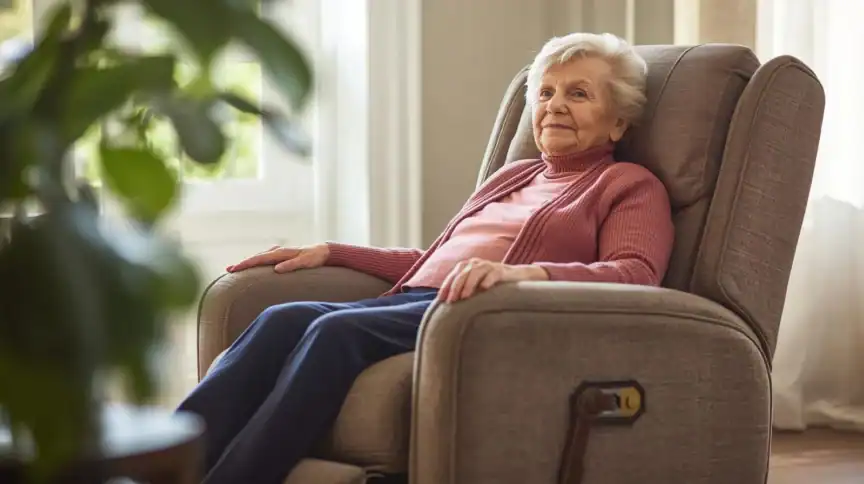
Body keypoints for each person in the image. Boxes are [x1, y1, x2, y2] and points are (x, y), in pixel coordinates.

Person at [177, 32, 675, 484]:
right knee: (281, 319)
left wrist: (520, 275)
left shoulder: (627, 185)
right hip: (422, 298)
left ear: (618, 123)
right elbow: (437, 258)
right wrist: (331, 252)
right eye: (546, 93)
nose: (554, 106)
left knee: (334, 333)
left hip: (477, 312)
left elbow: (635, 273)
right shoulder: (514, 176)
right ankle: (158, 466)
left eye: (578, 94)